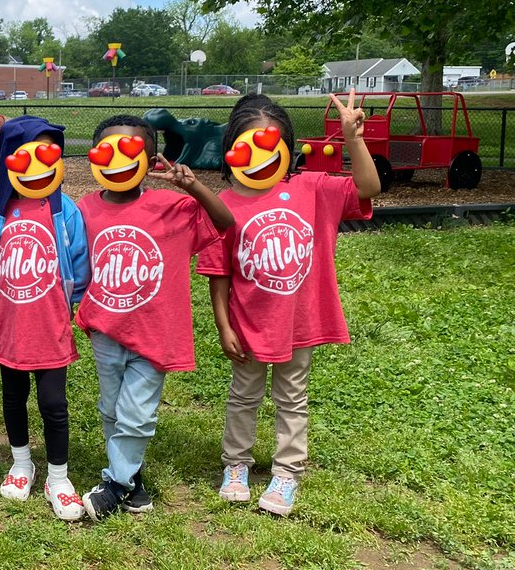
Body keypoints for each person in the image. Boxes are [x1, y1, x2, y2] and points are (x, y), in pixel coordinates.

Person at [199, 92, 380, 516]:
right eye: (249, 146)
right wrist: (224, 325)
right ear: (232, 149)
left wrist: (353, 139)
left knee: (292, 397)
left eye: (271, 145)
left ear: (287, 148)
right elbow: (218, 272)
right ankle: (236, 464)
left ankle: (287, 472)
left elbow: (369, 188)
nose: (260, 157)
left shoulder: (313, 189)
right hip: (248, 324)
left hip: (300, 322)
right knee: (243, 396)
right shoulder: (224, 207)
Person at [75, 115, 233, 520]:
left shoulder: (172, 207)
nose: (117, 161)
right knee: (112, 409)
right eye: (106, 151)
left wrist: (193, 185)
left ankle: (115, 485)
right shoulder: (83, 210)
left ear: (149, 161)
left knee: (138, 414)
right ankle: (133, 482)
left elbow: (224, 222)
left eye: (130, 152)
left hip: (154, 332)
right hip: (105, 329)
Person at [0, 115, 90, 521]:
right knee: (13, 397)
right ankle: (21, 464)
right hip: (9, 327)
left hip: (50, 326)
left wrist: (68, 305)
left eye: (48, 154)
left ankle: (58, 477)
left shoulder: (66, 212)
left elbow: (80, 263)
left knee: (53, 403)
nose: (39, 164)